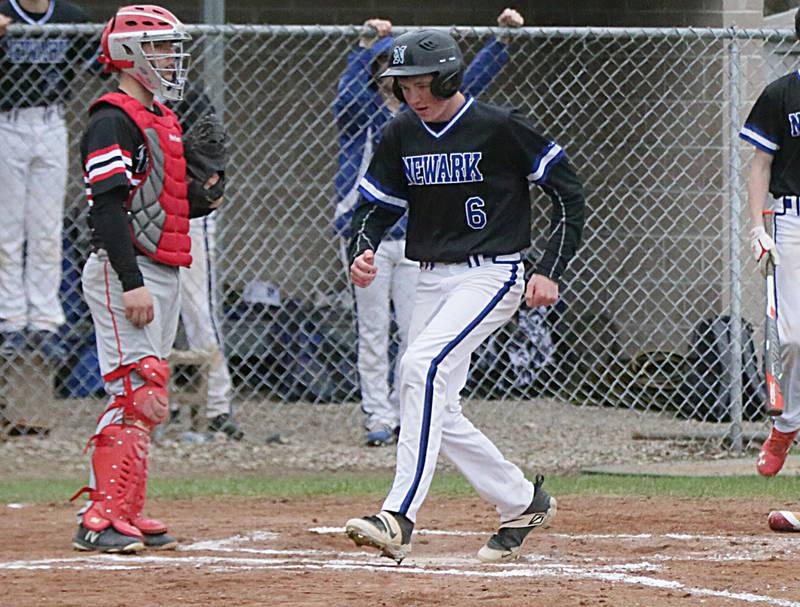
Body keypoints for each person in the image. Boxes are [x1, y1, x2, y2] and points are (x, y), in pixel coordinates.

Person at [343, 30, 585, 563]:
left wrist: (549, 269)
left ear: (451, 78)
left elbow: (568, 191)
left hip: (491, 273)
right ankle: (521, 499)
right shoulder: (401, 132)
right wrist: (362, 250)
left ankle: (398, 515)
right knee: (432, 400)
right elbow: (373, 207)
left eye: (424, 85)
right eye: (404, 87)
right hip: (428, 274)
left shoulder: (499, 126)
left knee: (419, 368)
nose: (414, 97)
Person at [333, 8, 525, 447]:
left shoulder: (433, 115)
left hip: (416, 240)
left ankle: (407, 414)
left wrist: (500, 43)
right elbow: (345, 97)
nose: (401, 83)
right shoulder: (364, 112)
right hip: (371, 238)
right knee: (373, 330)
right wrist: (363, 49)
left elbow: (469, 88)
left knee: (414, 337)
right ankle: (377, 415)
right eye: (391, 72)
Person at [70, 4, 220, 553]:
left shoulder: (161, 117)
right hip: (123, 269)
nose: (170, 59)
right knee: (134, 388)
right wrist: (130, 279)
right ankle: (99, 518)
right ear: (131, 55)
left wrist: (203, 190)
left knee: (149, 393)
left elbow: (159, 202)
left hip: (161, 266)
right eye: (158, 48)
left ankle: (126, 510)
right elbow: (106, 209)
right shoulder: (113, 118)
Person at [0, 0, 91, 360]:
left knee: (46, 229)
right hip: (8, 122)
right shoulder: (5, 10)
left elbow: (101, 64)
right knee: (7, 229)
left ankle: (45, 321)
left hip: (51, 122)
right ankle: (10, 319)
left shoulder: (70, 16)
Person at [740, 10, 800, 487]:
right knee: (793, 337)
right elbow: (760, 165)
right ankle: (785, 426)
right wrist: (757, 226)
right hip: (791, 220)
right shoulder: (781, 93)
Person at [167, 81, 243, 440]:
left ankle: (217, 404)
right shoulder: (124, 103)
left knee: (197, 306)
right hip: (144, 211)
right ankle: (156, 401)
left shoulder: (191, 98)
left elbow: (208, 165)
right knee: (154, 303)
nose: (166, 59)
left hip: (187, 210)